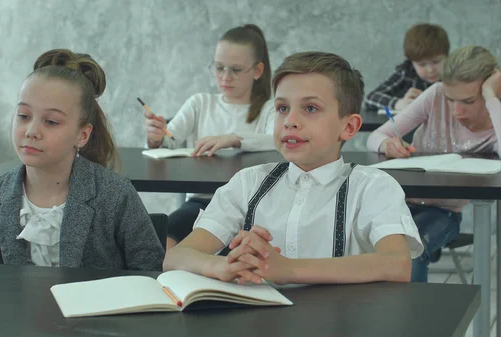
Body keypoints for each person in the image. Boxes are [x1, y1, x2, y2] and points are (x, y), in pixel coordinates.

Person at [163, 51, 423, 284]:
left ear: (349, 127)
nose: (290, 121)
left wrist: (287, 269)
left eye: (310, 108)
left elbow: (396, 264)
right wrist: (223, 265)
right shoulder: (247, 183)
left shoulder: (373, 186)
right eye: (282, 108)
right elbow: (175, 258)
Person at [0, 49, 165, 270]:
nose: (31, 131)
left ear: (82, 135)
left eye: (51, 121)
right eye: (23, 116)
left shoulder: (115, 195)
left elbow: (151, 273)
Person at [367, 45, 501, 281]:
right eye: (451, 100)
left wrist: (491, 96)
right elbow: (375, 136)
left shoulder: (496, 115)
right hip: (396, 204)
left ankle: (411, 318)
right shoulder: (436, 94)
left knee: (409, 250)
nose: (457, 111)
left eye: (468, 101)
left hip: (443, 213)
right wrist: (386, 145)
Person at [145, 24, 275, 250]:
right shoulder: (200, 103)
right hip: (201, 203)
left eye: (235, 70)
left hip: (253, 207)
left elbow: (278, 140)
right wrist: (156, 137)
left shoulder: (271, 109)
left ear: (257, 71)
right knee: (161, 242)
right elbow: (168, 143)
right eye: (219, 67)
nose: (225, 77)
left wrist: (233, 138)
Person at [364, 23, 450, 111]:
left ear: (447, 57)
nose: (430, 70)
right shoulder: (406, 72)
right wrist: (398, 103)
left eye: (436, 62)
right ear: (411, 62)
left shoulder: (456, 73)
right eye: (422, 64)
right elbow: (371, 97)